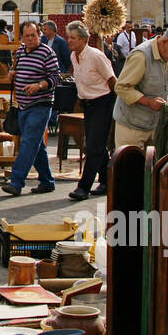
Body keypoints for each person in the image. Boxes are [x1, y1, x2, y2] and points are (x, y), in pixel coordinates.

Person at [2, 20, 62, 197]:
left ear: (39, 35)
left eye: (33, 35)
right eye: (27, 36)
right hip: (23, 105)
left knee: (28, 142)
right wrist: (12, 74)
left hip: (40, 104)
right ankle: (47, 181)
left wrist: (39, 85)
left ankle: (16, 181)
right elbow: (19, 70)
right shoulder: (20, 51)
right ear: (22, 37)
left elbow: (56, 78)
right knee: (37, 144)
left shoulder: (47, 53)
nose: (30, 39)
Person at [113, 26, 168, 149]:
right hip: (131, 126)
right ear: (164, 41)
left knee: (154, 166)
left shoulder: (167, 56)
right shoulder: (141, 55)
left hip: (153, 125)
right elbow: (121, 87)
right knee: (129, 166)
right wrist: (148, 102)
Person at [65, 20, 116, 200]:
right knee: (95, 144)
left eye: (73, 38)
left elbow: (112, 81)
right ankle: (107, 180)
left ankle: (84, 187)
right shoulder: (73, 56)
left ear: (83, 39)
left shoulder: (96, 56)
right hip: (88, 103)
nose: (69, 41)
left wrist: (114, 105)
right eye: (68, 37)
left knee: (94, 145)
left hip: (103, 101)